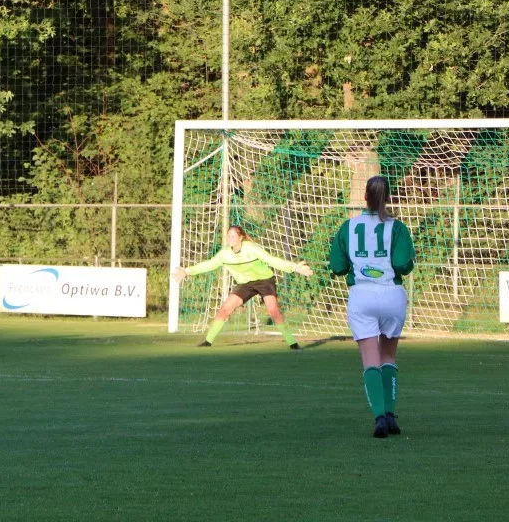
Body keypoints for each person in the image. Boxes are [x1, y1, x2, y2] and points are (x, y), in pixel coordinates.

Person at [329, 175, 415, 439]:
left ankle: (379, 418)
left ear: (365, 197)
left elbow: (337, 266)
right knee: (388, 356)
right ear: (388, 197)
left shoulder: (349, 226)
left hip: (362, 295)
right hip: (391, 294)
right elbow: (403, 264)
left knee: (370, 360)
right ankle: (390, 415)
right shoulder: (397, 227)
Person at [172, 224, 313, 349]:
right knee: (225, 309)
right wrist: (186, 271)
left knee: (274, 312)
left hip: (264, 281)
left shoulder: (251, 249)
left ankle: (292, 343)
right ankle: (207, 342)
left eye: (233, 235)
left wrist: (295, 267)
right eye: (228, 235)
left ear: (241, 237)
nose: (230, 238)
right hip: (245, 284)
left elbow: (272, 260)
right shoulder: (224, 254)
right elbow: (208, 265)